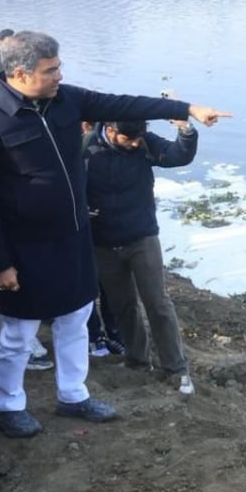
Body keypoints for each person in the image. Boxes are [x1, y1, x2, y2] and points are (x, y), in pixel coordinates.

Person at [0, 31, 230, 439]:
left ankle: (73, 395)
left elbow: (126, 103)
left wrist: (187, 108)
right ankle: (7, 405)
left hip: (74, 236)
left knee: (76, 319)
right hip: (25, 245)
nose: (59, 76)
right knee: (19, 332)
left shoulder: (66, 99)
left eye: (59, 67)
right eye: (51, 71)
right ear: (19, 73)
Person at [84, 118, 199, 394]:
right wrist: (79, 208)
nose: (135, 143)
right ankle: (137, 360)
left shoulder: (144, 143)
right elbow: (63, 180)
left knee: (158, 303)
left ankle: (176, 367)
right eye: (129, 139)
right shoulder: (85, 149)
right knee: (121, 304)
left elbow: (177, 155)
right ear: (110, 131)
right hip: (103, 241)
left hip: (142, 237)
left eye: (138, 138)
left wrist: (186, 130)